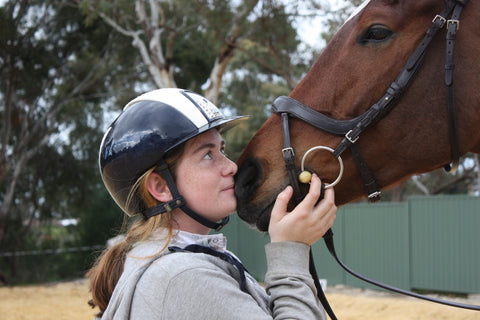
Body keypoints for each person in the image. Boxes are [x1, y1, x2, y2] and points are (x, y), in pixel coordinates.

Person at [87, 88, 337, 319]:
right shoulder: (183, 278)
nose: (231, 166)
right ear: (161, 187)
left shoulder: (174, 261)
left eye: (222, 150)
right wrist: (290, 249)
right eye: (207, 154)